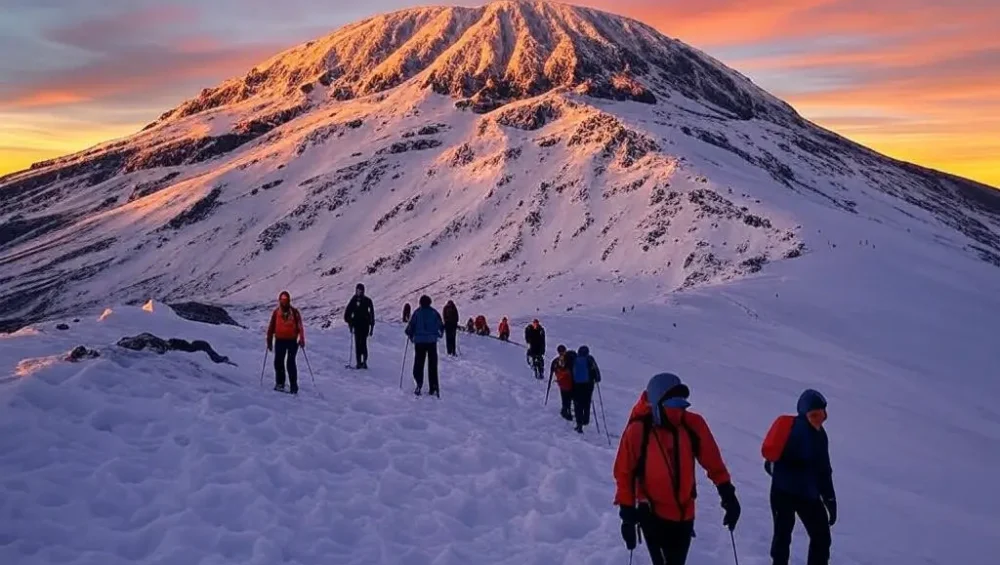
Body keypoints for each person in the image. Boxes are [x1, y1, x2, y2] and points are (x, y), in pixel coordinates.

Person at [613, 373, 741, 565]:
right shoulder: (639, 430)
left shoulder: (692, 425)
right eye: (673, 406)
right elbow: (625, 473)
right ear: (657, 404)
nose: (678, 412)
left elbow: (713, 461)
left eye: (682, 406)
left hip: (685, 514)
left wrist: (728, 494)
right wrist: (627, 515)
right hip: (651, 514)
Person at [762, 389, 836, 565]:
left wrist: (829, 498)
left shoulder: (819, 435)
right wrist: (829, 498)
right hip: (791, 493)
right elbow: (823, 470)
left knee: (784, 537)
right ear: (804, 414)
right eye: (814, 416)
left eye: (822, 416)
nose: (819, 421)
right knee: (811, 537)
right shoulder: (797, 431)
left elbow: (823, 470)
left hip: (794, 493)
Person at [405, 295, 444, 397]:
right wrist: (438, 335)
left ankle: (418, 384)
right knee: (432, 365)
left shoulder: (417, 313)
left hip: (420, 342)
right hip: (431, 342)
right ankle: (434, 387)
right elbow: (441, 325)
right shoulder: (434, 312)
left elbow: (410, 327)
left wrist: (410, 335)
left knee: (419, 363)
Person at [266, 291, 305, 394]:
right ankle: (280, 383)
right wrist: (269, 340)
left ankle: (293, 386)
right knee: (278, 362)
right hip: (280, 340)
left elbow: (300, 326)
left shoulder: (295, 312)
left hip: (292, 341)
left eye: (286, 300)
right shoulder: (276, 313)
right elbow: (271, 326)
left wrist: (301, 339)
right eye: (282, 300)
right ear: (280, 300)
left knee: (290, 363)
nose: (284, 302)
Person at [344, 283, 375, 369]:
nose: (358, 292)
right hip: (357, 325)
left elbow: (372, 314)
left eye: (360, 290)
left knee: (363, 344)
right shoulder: (354, 300)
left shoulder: (367, 301)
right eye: (357, 290)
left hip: (365, 326)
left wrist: (372, 327)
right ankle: (358, 362)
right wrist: (350, 322)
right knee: (358, 344)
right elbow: (348, 312)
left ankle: (364, 362)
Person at [571, 345, 599, 432]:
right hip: (588, 386)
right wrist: (596, 378)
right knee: (586, 403)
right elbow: (597, 374)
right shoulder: (590, 359)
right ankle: (585, 420)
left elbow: (572, 372)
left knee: (578, 405)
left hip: (577, 386)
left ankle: (579, 424)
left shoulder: (575, 359)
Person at [549, 345, 576, 421]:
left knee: (564, 398)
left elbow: (552, 371)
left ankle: (565, 411)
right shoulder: (571, 359)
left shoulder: (555, 361)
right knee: (570, 397)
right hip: (571, 382)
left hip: (562, 383)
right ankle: (569, 412)